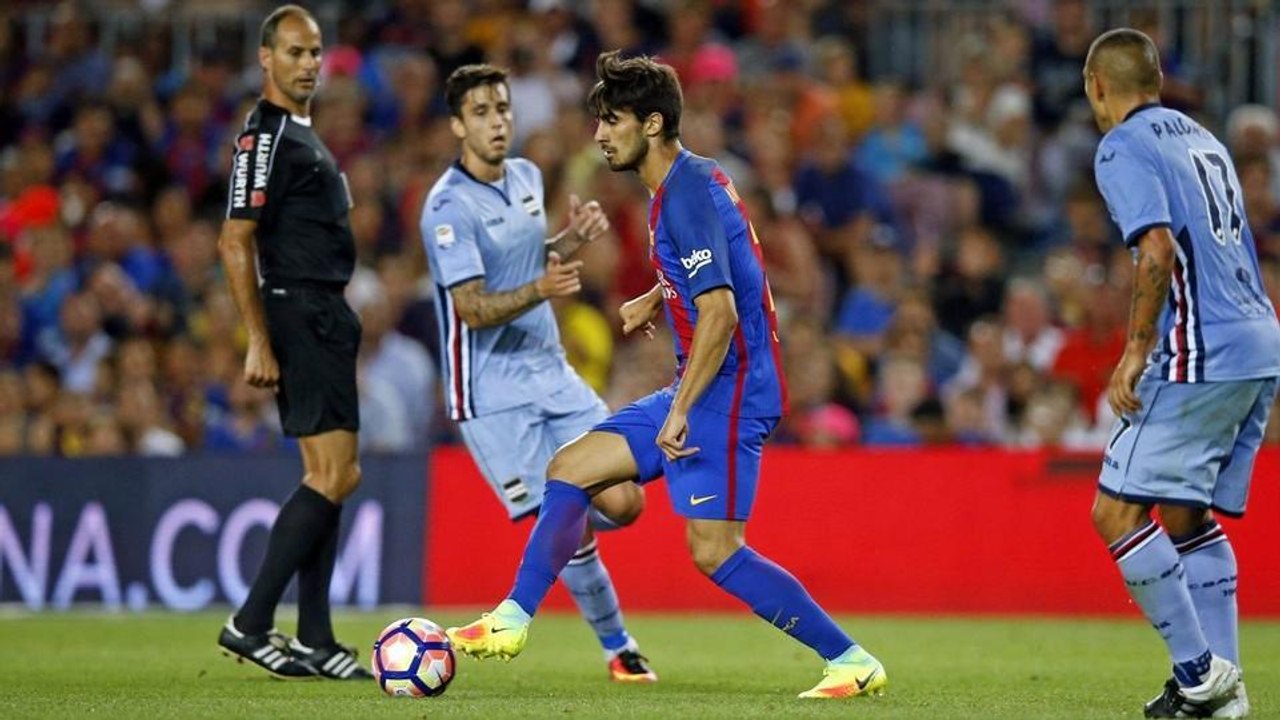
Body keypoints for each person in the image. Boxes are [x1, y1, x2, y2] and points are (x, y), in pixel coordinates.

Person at [446, 51, 887, 700]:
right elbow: (727, 262)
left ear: (651, 124)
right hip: (707, 384)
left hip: (729, 393)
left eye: (612, 121)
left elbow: (721, 311)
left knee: (714, 550)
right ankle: (510, 620)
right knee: (570, 469)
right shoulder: (690, 182)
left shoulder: (681, 197)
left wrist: (680, 409)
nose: (599, 136)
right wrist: (659, 294)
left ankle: (850, 659)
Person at [419, 64, 655, 682]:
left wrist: (570, 242)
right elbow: (471, 308)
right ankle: (619, 647)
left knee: (626, 500)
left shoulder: (524, 178)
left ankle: (568, 526)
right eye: (481, 112)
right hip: (493, 394)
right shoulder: (446, 208)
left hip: (553, 374)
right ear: (456, 125)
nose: (496, 122)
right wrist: (544, 286)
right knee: (570, 519)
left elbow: (530, 265)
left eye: (502, 109)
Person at [1083, 28, 1280, 718]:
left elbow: (1158, 250)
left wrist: (1137, 349)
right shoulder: (1204, 140)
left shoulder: (1123, 145)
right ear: (1158, 83)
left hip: (1206, 348)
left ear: (1097, 86)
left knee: (1115, 510)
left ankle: (1200, 675)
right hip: (1260, 342)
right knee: (1188, 513)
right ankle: (1225, 694)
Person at [214, 5, 371, 680]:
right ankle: (251, 621)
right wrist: (259, 339)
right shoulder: (265, 138)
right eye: (296, 52)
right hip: (301, 312)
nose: (309, 63)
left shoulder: (298, 134)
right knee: (336, 475)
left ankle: (314, 637)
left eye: (315, 53)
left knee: (328, 478)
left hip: (321, 313)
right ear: (267, 59)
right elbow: (233, 238)